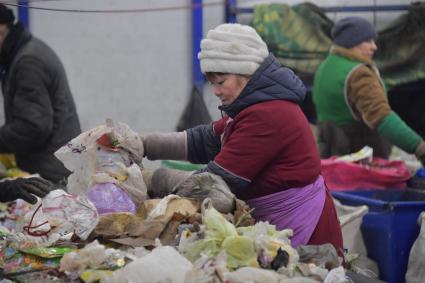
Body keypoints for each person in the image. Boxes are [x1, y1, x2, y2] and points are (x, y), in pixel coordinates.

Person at [143, 23, 343, 252]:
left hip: (303, 234)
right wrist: (145, 144)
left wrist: (153, 179)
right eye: (213, 84)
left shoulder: (268, 114)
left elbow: (213, 187)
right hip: (276, 228)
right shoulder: (251, 107)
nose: (216, 91)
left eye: (221, 82)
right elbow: (205, 140)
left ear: (246, 74)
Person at [312, 17, 425, 164]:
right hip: (361, 160)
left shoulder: (325, 67)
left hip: (332, 158)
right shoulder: (357, 74)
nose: (374, 47)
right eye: (368, 41)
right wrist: (418, 147)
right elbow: (382, 117)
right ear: (351, 42)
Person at [0, 4, 81, 183]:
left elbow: (33, 126)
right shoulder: (23, 53)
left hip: (51, 173)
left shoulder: (28, 61)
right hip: (53, 165)